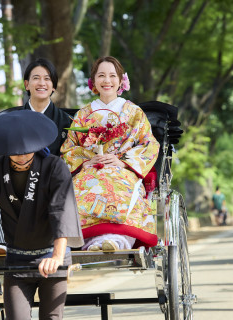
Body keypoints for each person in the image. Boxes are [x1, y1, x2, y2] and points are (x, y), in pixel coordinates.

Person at [0, 110, 84, 320]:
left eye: (27, 149)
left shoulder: (54, 166)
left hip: (51, 258)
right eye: (15, 150)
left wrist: (56, 257)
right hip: (17, 259)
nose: (21, 154)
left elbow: (61, 211)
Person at [61, 56, 160, 251]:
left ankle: (117, 240)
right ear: (94, 81)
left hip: (122, 169)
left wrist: (121, 161)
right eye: (101, 76)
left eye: (112, 75)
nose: (107, 81)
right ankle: (92, 242)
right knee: (81, 189)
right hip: (91, 169)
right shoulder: (83, 114)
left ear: (121, 80)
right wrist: (86, 162)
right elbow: (69, 148)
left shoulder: (133, 112)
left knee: (119, 190)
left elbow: (149, 144)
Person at [0, 58, 71, 163]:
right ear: (26, 85)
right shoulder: (7, 121)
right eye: (36, 78)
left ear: (53, 86)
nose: (42, 83)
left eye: (47, 79)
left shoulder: (68, 122)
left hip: (55, 178)